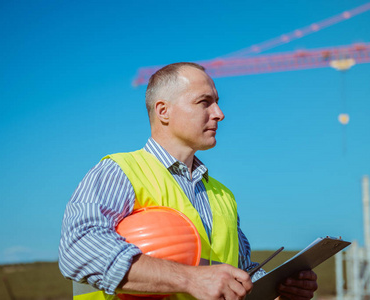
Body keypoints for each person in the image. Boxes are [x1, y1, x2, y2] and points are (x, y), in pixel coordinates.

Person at [59, 62, 318, 300]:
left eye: (216, 102)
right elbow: (79, 248)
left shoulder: (222, 195)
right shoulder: (119, 171)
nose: (219, 113)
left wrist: (278, 291)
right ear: (163, 111)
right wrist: (189, 279)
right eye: (204, 102)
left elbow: (233, 272)